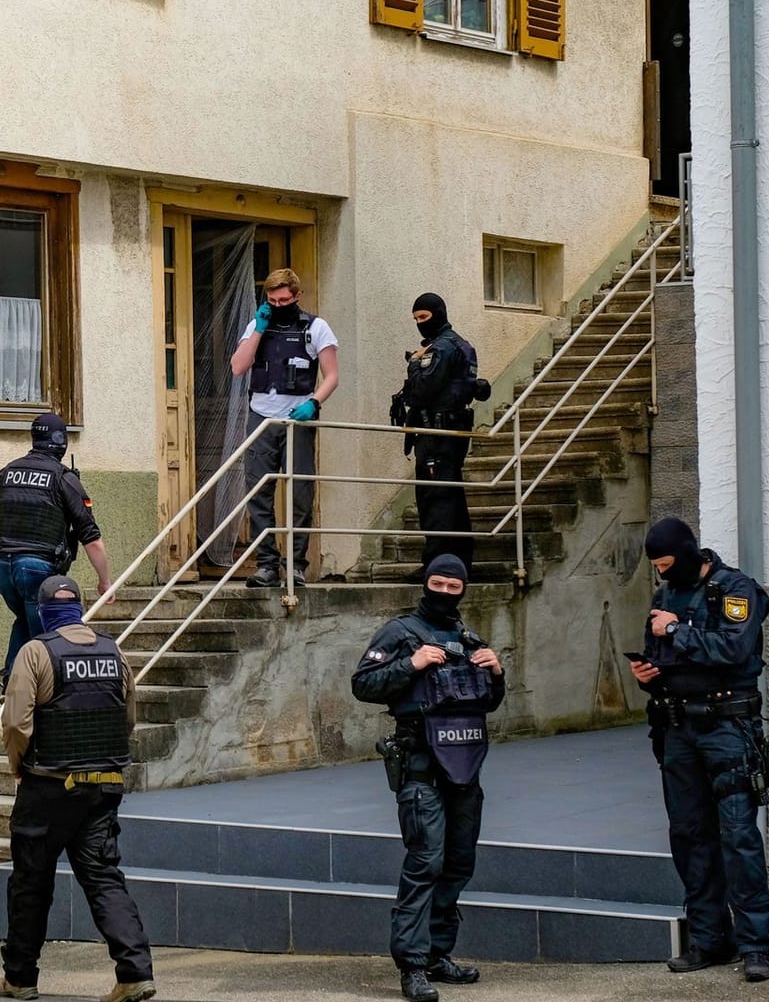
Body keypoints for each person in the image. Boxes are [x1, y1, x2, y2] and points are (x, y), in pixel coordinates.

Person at [0, 576, 154, 1002]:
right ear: (80, 608)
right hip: (102, 787)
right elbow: (128, 715)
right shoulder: (112, 650)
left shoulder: (36, 652)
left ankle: (21, 979)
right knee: (103, 877)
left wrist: (17, 767)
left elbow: (14, 723)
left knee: (31, 882)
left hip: (47, 786)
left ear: (44, 611)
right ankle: (135, 972)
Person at [351, 556, 505, 1002]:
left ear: (464, 589)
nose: (444, 591)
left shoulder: (468, 637)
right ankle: (413, 966)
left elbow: (487, 703)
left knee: (459, 863)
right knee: (425, 863)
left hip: (464, 768)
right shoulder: (400, 633)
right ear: (425, 583)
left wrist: (495, 672)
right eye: (436, 583)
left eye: (453, 585)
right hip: (420, 767)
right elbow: (363, 684)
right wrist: (412, 664)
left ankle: (439, 954)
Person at [630, 518, 769, 982]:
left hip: (728, 727)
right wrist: (647, 675)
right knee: (690, 835)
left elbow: (735, 650)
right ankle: (711, 939)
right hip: (678, 727)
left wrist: (676, 632)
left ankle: (756, 947)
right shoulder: (665, 596)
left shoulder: (734, 589)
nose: (662, 574)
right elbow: (663, 654)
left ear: (689, 553)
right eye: (655, 566)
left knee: (738, 836)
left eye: (668, 564)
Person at [0, 413, 113, 685]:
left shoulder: (6, 473)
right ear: (61, 441)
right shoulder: (64, 478)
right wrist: (105, 581)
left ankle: (12, 683)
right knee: (47, 634)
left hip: (0, 569)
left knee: (26, 619)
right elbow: (91, 537)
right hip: (36, 569)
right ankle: (44, 691)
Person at [226, 268, 340, 586]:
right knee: (258, 490)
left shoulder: (316, 327)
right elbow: (238, 367)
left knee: (300, 490)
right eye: (272, 300)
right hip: (261, 417)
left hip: (297, 417)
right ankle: (266, 563)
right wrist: (260, 329)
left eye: (284, 300)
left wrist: (313, 403)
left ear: (297, 296)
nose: (278, 305)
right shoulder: (257, 325)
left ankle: (295, 564)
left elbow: (332, 375)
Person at [395, 293, 489, 570]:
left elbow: (424, 388)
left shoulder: (443, 348)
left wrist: (414, 363)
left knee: (436, 500)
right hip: (447, 430)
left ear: (439, 313)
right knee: (450, 497)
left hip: (437, 432)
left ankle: (437, 565)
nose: (419, 324)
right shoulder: (460, 344)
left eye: (423, 317)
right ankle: (457, 562)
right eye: (415, 319)